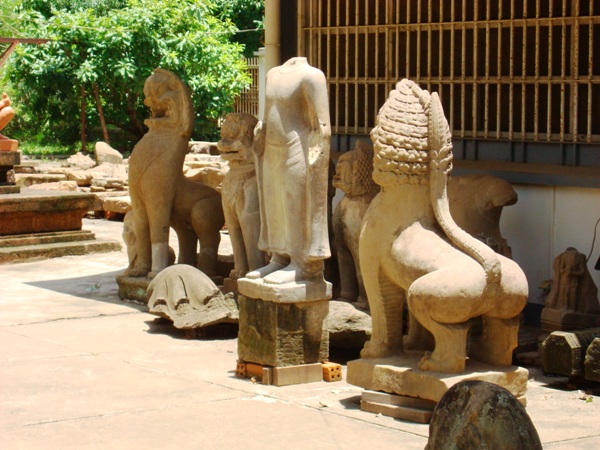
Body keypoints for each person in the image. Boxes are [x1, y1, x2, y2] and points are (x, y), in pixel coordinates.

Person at [247, 57, 331, 285]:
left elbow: (322, 123)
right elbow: (266, 115)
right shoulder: (272, 74)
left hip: (298, 147)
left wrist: (318, 150)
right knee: (273, 202)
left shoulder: (312, 76)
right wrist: (261, 131)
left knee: (295, 202)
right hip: (271, 148)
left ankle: (301, 263)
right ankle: (279, 257)